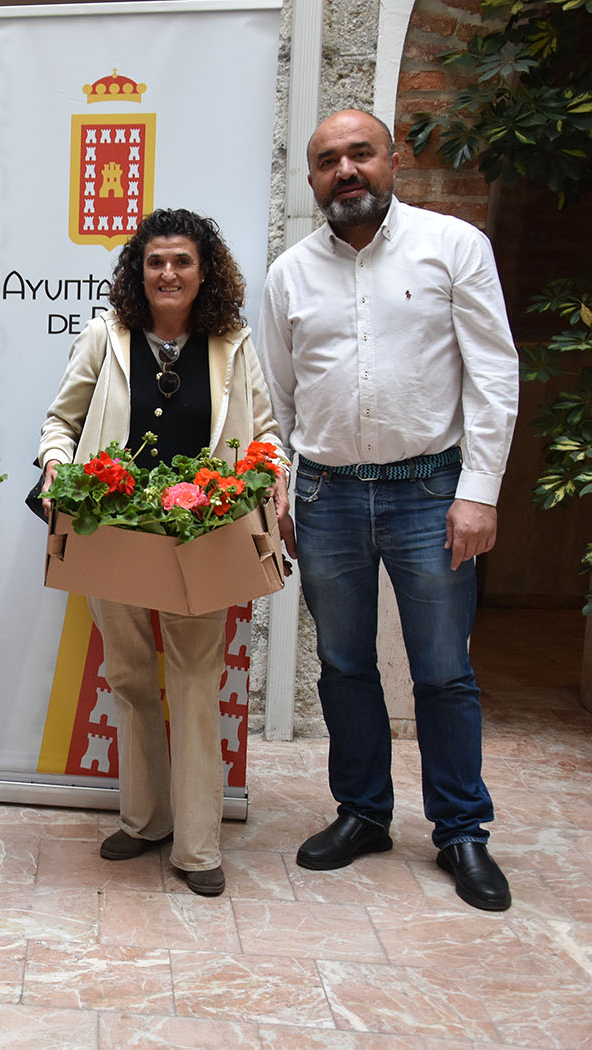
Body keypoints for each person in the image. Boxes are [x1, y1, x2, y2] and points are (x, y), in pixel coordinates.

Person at [258, 110, 519, 911]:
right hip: (326, 495)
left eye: (359, 154)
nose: (345, 170)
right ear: (311, 179)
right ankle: (363, 813)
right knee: (343, 666)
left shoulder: (452, 246)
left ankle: (460, 830)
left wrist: (478, 492)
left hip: (430, 492)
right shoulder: (289, 274)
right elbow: (275, 397)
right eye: (327, 160)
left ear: (391, 161)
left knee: (442, 671)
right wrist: (279, 488)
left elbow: (492, 374)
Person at [37, 208, 284, 897]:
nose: (167, 273)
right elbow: (61, 421)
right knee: (129, 678)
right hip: (113, 532)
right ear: (137, 272)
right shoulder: (104, 335)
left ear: (204, 272)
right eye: (154, 262)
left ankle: (198, 848)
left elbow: (265, 433)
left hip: (203, 537)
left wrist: (270, 474)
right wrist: (56, 466)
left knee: (196, 686)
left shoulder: (231, 343)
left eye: (181, 261)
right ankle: (145, 821)